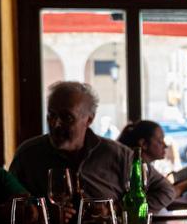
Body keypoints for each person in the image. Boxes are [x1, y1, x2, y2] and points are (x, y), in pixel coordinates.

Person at [9, 81, 174, 213]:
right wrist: (41, 211)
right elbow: (7, 205)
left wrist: (116, 209)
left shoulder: (117, 155)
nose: (56, 124)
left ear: (89, 120)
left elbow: (165, 191)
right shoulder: (28, 155)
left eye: (67, 117)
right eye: (51, 115)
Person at [117, 119, 187, 199]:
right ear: (144, 144)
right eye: (160, 141)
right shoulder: (135, 171)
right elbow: (165, 194)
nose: (165, 146)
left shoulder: (146, 168)